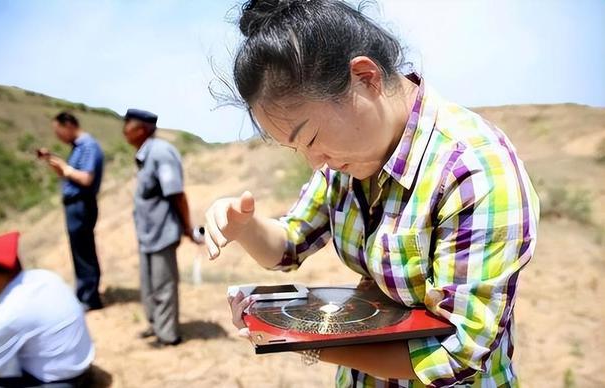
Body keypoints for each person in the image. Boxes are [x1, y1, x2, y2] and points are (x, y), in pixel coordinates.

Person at [204, 1, 540, 387]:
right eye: (298, 149)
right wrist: (244, 226)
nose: (315, 162)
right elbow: (289, 244)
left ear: (366, 78)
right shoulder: (346, 160)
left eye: (311, 138)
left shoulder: (473, 171)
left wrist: (298, 338)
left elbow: (456, 354)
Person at [0, 232, 94, 387]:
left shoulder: (8, 313)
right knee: (3, 351)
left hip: (57, 383)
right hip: (81, 370)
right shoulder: (45, 277)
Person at [122, 109, 197, 348]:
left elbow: (176, 195)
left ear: (142, 128)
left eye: (128, 125)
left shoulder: (161, 153)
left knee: (163, 285)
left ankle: (168, 336)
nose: (124, 130)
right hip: (147, 233)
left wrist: (187, 228)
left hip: (162, 232)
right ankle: (156, 325)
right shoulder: (145, 153)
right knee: (149, 284)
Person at [39, 111, 105, 311]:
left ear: (68, 124)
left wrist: (65, 168)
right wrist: (55, 162)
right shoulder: (78, 148)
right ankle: (84, 294)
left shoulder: (88, 146)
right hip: (75, 204)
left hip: (81, 203)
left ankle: (89, 297)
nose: (58, 136)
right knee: (80, 250)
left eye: (58, 131)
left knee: (84, 251)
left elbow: (85, 178)